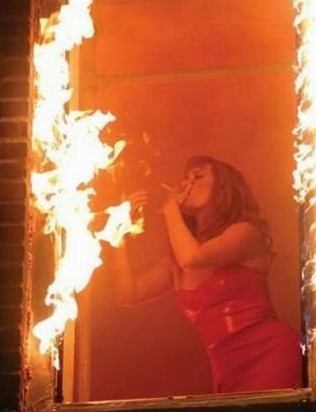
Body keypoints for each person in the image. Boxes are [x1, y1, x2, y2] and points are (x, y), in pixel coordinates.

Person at [112, 154, 302, 394]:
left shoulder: (245, 233)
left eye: (198, 176)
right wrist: (118, 233)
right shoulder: (177, 260)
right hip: (225, 366)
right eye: (185, 178)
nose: (187, 183)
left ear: (223, 188)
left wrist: (170, 208)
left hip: (269, 352)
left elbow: (192, 260)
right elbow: (128, 294)